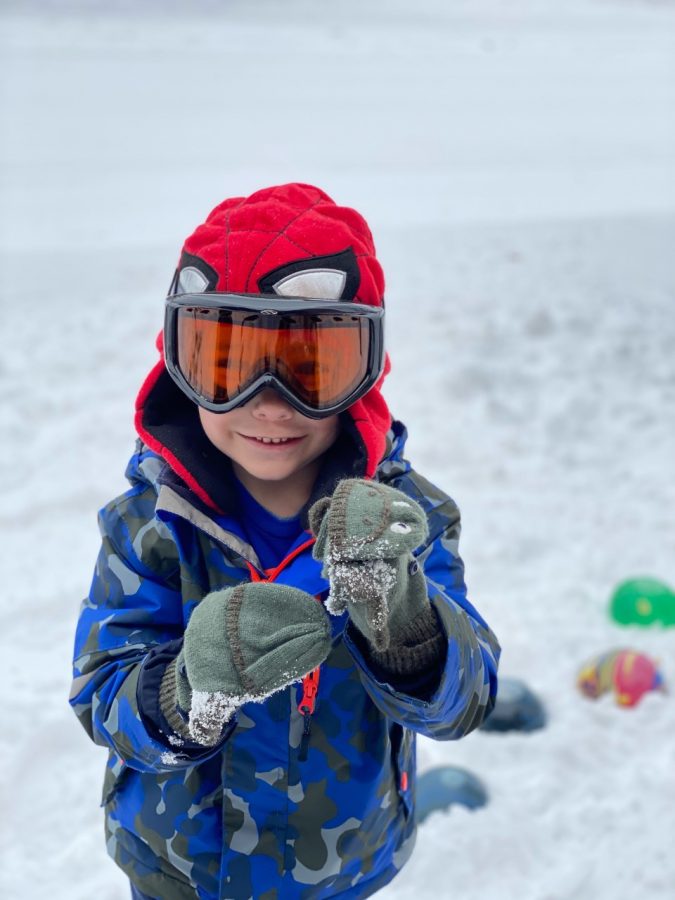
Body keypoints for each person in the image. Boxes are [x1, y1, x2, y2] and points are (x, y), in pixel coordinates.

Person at [70, 182, 500, 900]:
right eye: (227, 363)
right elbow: (100, 694)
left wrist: (407, 628)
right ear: (178, 364)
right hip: (180, 871)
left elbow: (464, 702)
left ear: (364, 373)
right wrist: (186, 694)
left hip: (341, 865)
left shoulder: (403, 521)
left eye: (310, 368)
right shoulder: (148, 525)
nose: (268, 403)